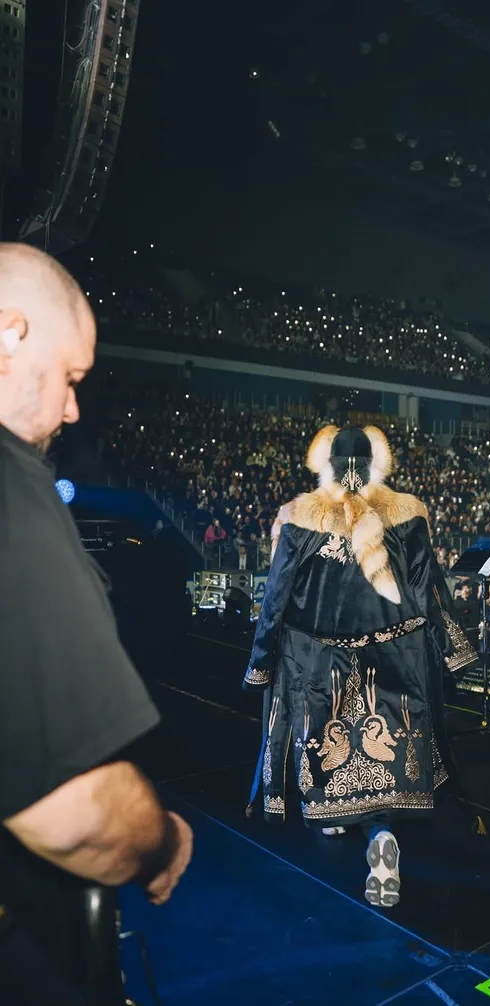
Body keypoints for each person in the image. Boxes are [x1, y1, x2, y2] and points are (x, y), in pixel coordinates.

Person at [0, 244, 193, 1005]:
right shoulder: (12, 486)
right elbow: (73, 811)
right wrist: (163, 841)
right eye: (71, 378)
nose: (73, 410)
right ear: (9, 334)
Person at [242, 424, 475, 908]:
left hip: (320, 664)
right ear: (376, 465)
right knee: (389, 762)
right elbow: (430, 590)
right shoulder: (408, 514)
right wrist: (454, 650)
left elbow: (276, 596)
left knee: (331, 755)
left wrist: (260, 662)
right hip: (396, 658)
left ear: (325, 465)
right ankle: (383, 835)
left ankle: (341, 818)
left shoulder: (299, 518)